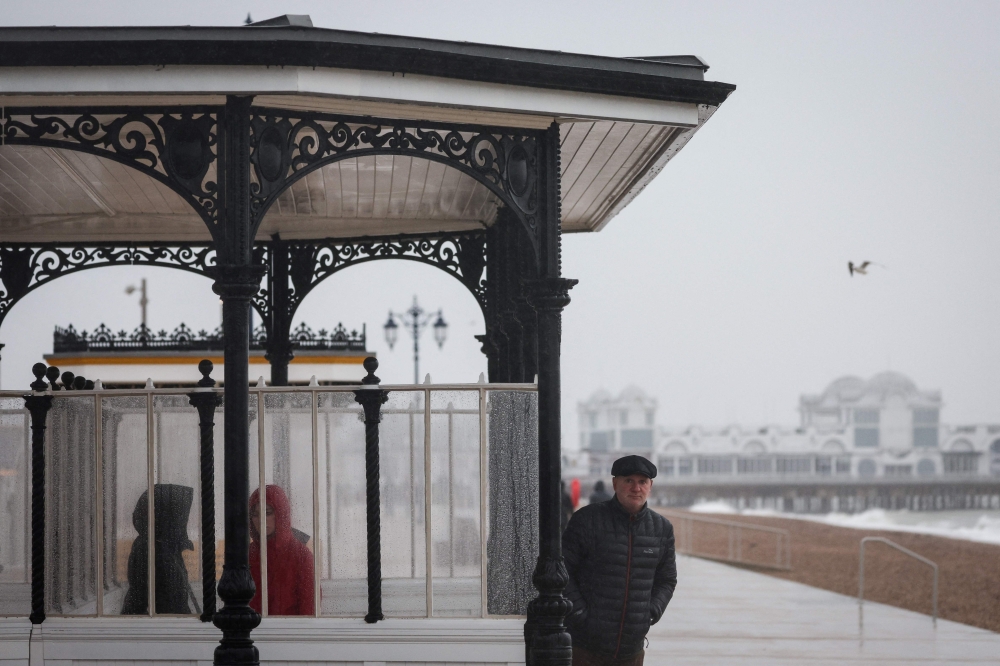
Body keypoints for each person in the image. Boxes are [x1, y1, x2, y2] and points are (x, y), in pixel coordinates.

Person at [562, 455, 676, 666]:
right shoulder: (587, 520)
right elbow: (564, 571)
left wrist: (652, 611)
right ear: (615, 483)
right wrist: (580, 614)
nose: (636, 488)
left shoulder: (662, 529)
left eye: (642, 482)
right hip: (585, 647)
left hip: (631, 650)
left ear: (650, 486)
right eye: (628, 481)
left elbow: (667, 579)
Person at [121, 484, 196, 615]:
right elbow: (171, 604)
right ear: (167, 517)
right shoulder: (155, 552)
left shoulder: (160, 547)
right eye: (180, 516)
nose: (184, 522)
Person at [249, 484, 315, 616]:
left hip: (289, 632)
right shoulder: (248, 554)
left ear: (281, 514)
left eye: (267, 513)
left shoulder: (300, 555)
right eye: (255, 515)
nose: (261, 520)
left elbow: (309, 609)